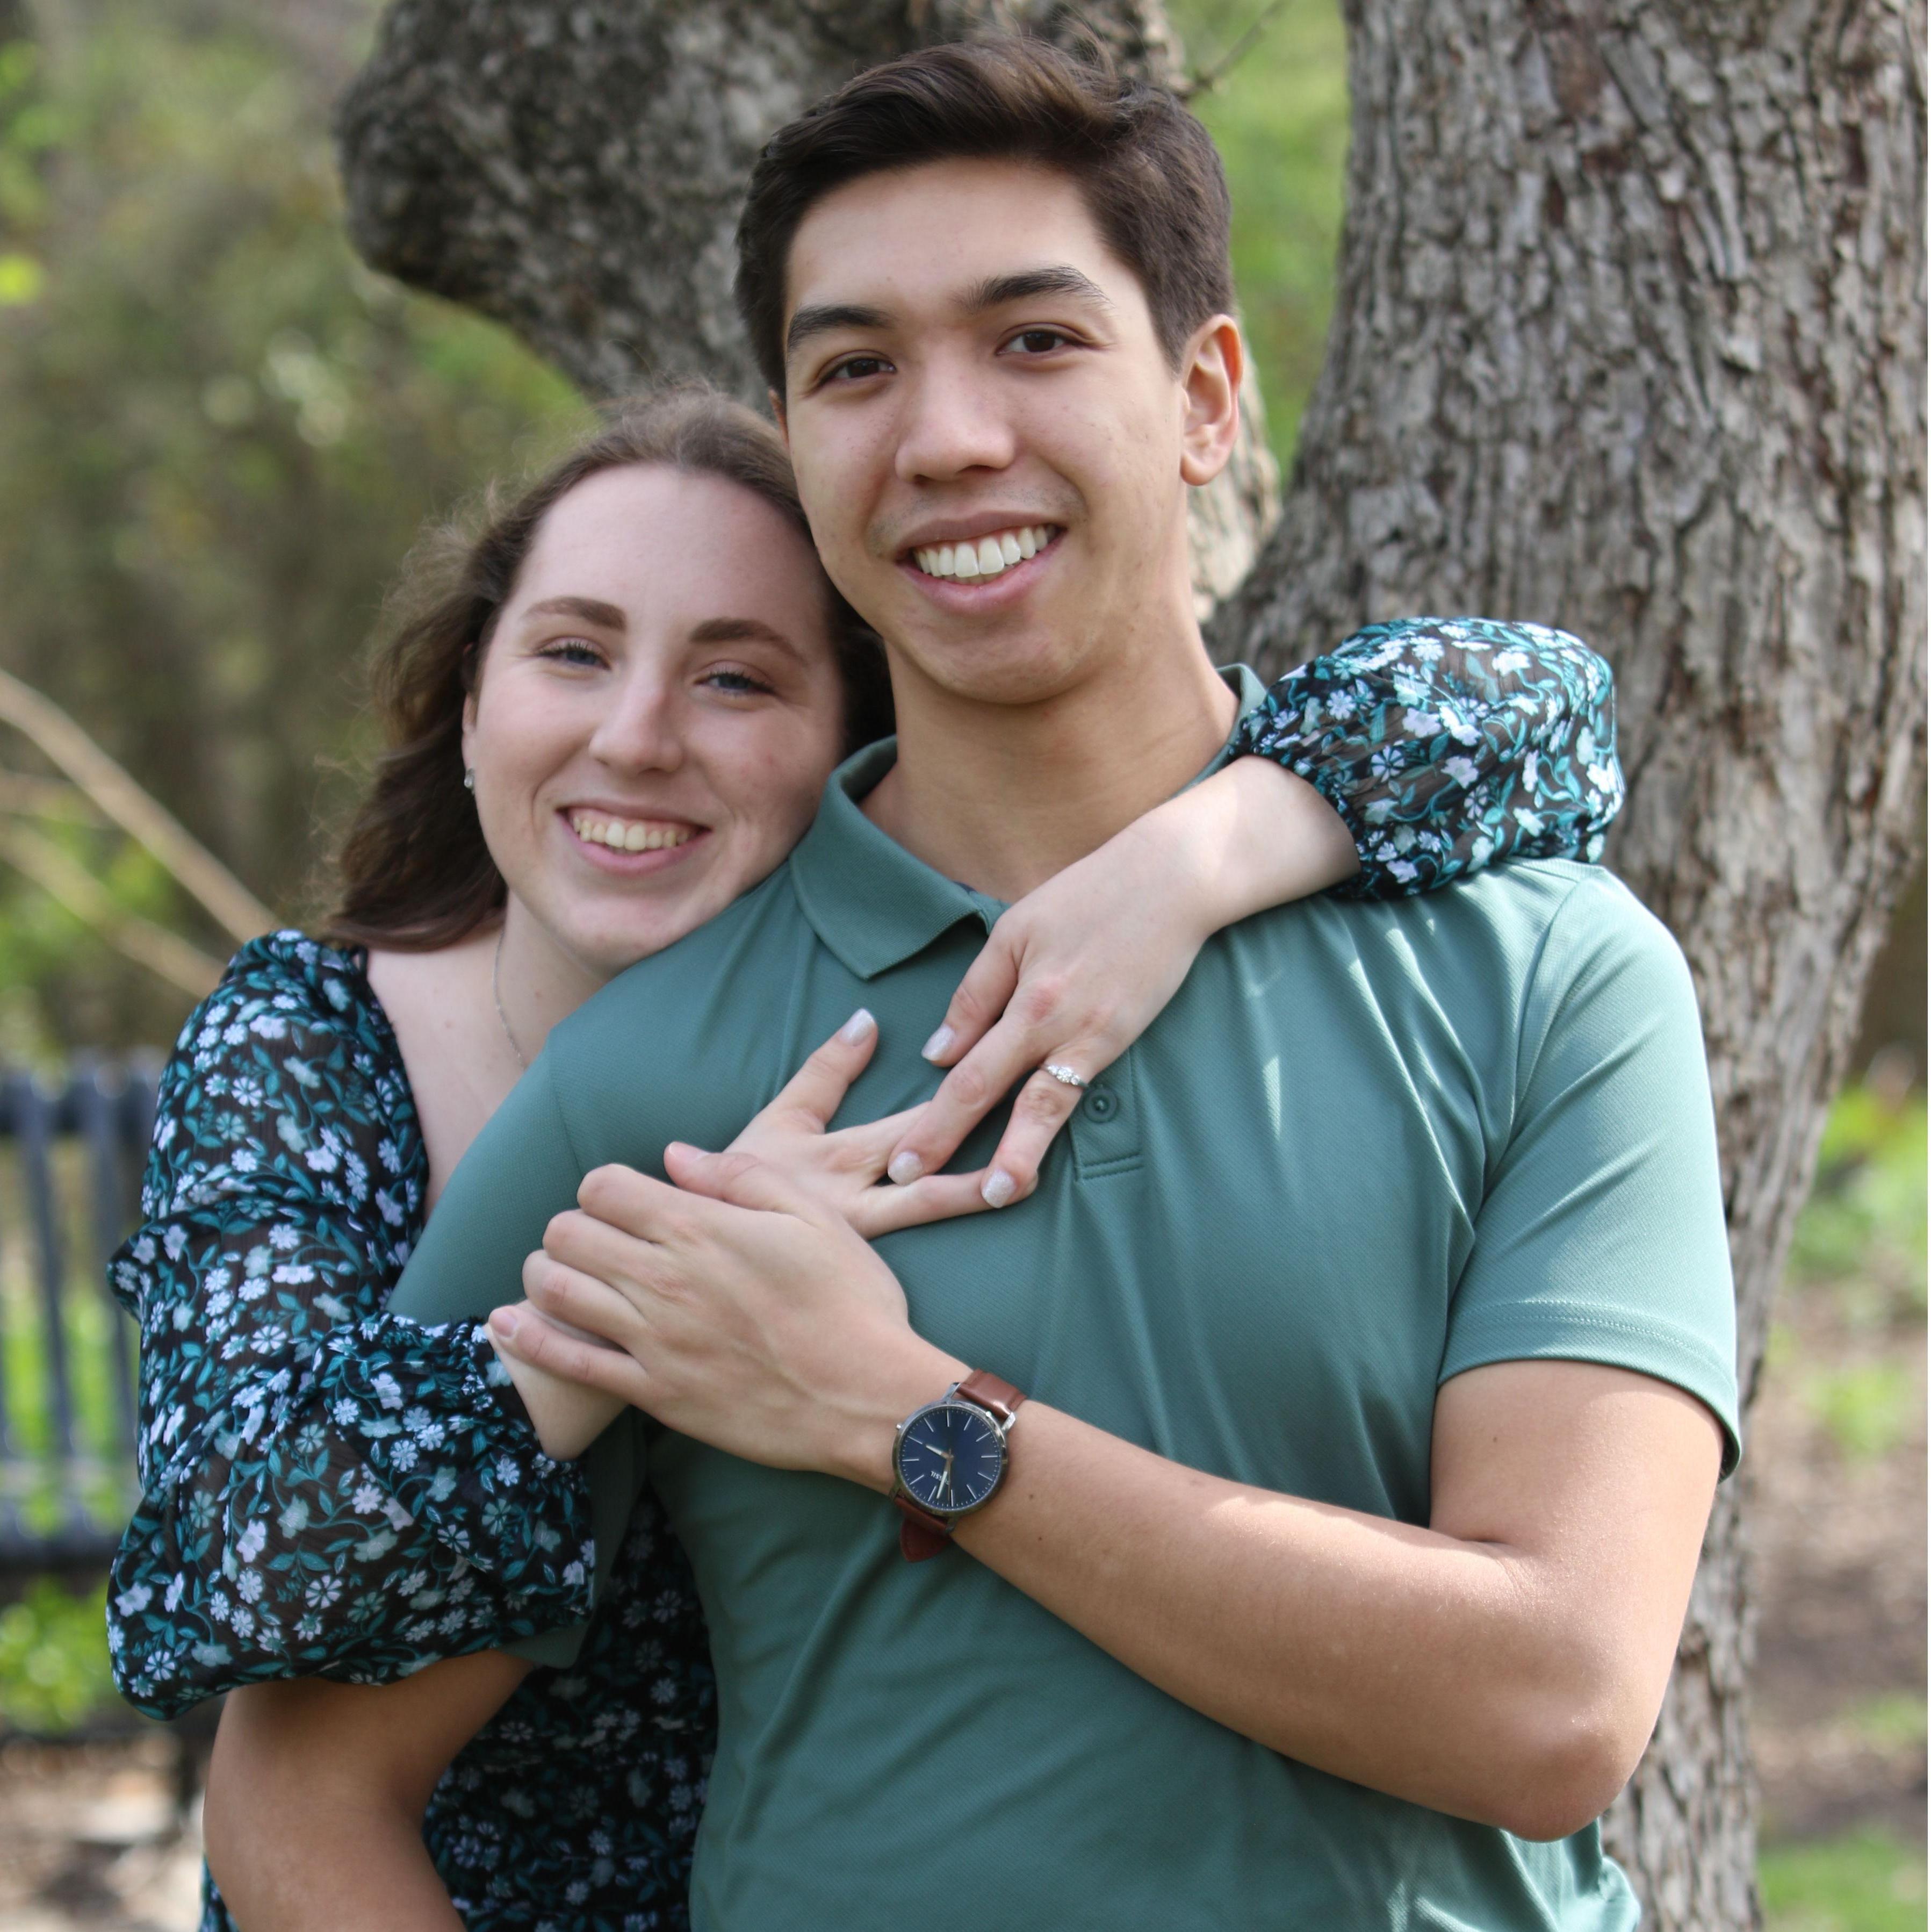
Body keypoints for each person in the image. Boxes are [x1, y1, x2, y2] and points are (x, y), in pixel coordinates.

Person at [212, 34, 1738, 1932]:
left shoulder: (1545, 975)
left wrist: (903, 1412)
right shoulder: (660, 1081)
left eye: (1032, 339)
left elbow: (1555, 1701)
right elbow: (298, 1783)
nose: (942, 437)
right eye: (854, 368)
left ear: (1202, 400)